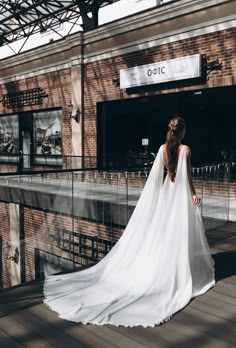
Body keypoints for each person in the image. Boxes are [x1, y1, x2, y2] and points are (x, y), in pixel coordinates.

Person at [44, 116, 215, 327]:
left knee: (164, 232)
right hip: (179, 195)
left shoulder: (163, 149)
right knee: (178, 231)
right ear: (182, 132)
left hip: (166, 193)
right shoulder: (186, 150)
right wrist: (193, 194)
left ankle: (166, 263)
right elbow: (187, 176)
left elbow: (157, 178)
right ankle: (176, 267)